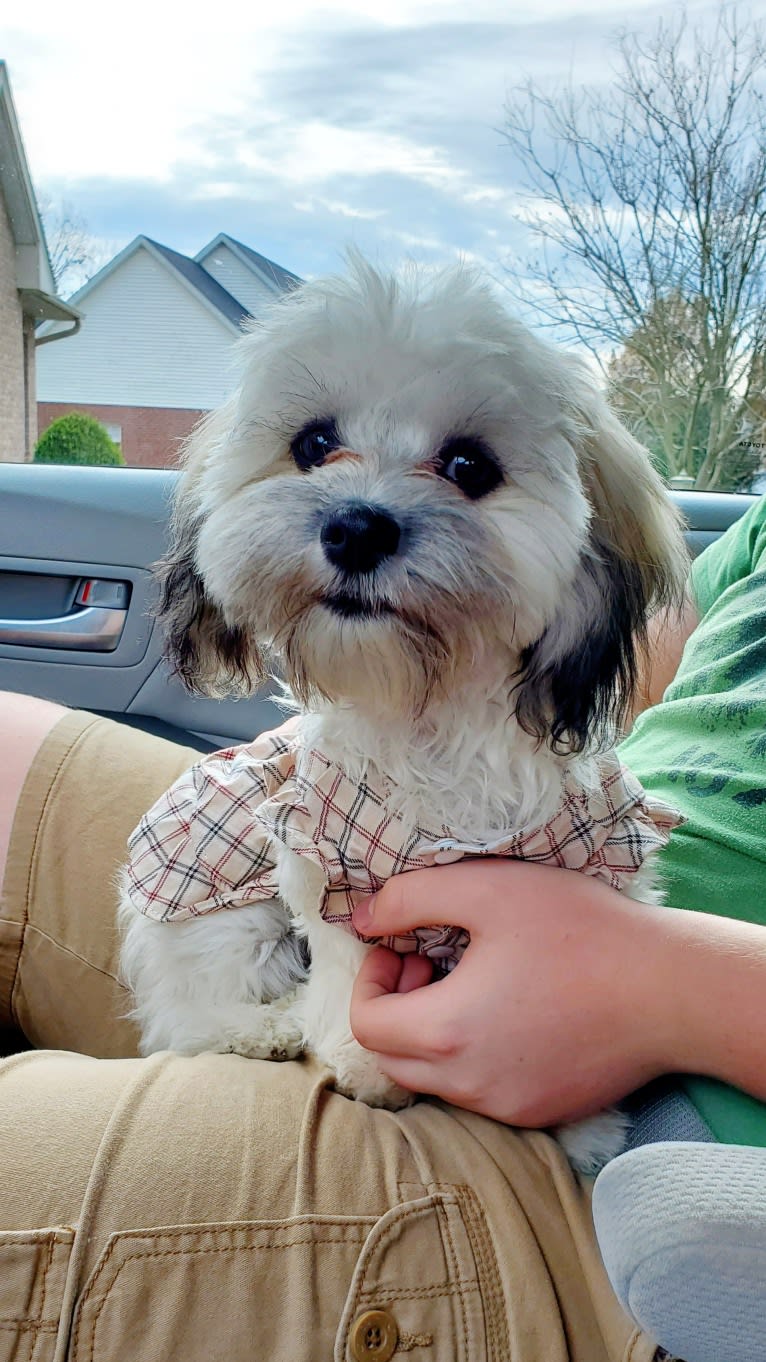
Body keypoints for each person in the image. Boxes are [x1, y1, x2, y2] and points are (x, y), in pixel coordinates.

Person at [0, 496, 763, 1362]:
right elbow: (623, 671)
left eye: (465, 470)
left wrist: (666, 990)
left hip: (665, 1154)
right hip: (475, 828)